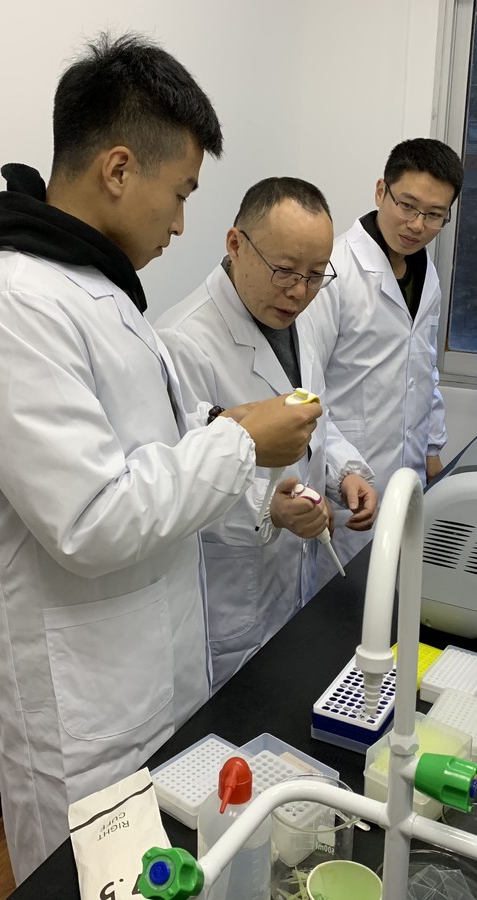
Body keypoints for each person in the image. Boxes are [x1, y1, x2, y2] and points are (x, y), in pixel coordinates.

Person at [0, 34, 320, 883]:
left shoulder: (99, 290)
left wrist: (236, 456)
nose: (180, 223)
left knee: (167, 873)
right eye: (179, 193)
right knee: (92, 880)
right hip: (81, 713)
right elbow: (93, 519)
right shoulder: (10, 310)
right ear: (116, 169)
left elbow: (158, 443)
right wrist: (240, 440)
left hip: (153, 671)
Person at [156, 178, 377, 689]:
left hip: (292, 580)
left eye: (316, 275)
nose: (299, 291)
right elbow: (175, 482)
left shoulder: (299, 318)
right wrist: (267, 508)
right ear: (236, 244)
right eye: (284, 270)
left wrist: (342, 473)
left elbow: (312, 417)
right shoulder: (183, 341)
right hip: (232, 599)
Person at [312, 138, 463, 573]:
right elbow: (304, 387)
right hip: (349, 477)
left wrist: (432, 447)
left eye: (434, 215)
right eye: (407, 206)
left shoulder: (425, 272)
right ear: (381, 191)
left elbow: (424, 366)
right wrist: (337, 472)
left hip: (409, 473)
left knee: (399, 588)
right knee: (347, 597)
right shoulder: (334, 270)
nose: (417, 225)